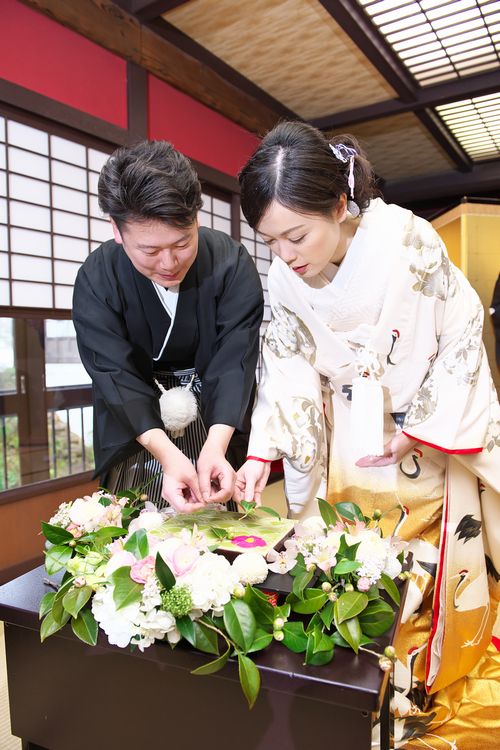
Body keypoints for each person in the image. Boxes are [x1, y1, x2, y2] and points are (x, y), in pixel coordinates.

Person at [234, 121, 500, 748]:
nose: (285, 255)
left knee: (424, 561)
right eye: (270, 241)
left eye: (297, 235)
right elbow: (287, 363)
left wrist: (423, 425)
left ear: (338, 204)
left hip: (421, 436)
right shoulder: (286, 278)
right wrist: (263, 451)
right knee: (353, 558)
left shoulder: (407, 241)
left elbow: (461, 331)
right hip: (348, 441)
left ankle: (430, 676)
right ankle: (371, 684)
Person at [73, 140, 263, 514]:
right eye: (150, 251)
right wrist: (166, 454)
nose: (169, 262)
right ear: (116, 229)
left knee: (216, 517)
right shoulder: (97, 277)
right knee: (134, 518)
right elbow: (113, 371)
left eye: (182, 243)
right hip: (139, 421)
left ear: (196, 217)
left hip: (213, 415)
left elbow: (235, 358)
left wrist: (216, 445)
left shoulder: (230, 263)